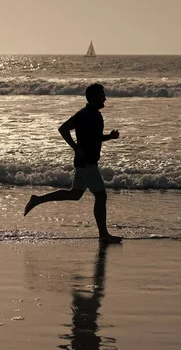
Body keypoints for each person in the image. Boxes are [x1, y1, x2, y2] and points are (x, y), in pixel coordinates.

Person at [24, 83, 122, 243]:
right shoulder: (84, 114)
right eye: (101, 95)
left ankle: (37, 199)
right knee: (101, 196)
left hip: (85, 162)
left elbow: (93, 138)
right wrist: (76, 148)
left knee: (75, 194)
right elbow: (62, 129)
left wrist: (108, 137)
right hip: (87, 163)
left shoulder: (94, 115)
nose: (105, 98)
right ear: (94, 98)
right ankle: (103, 235)